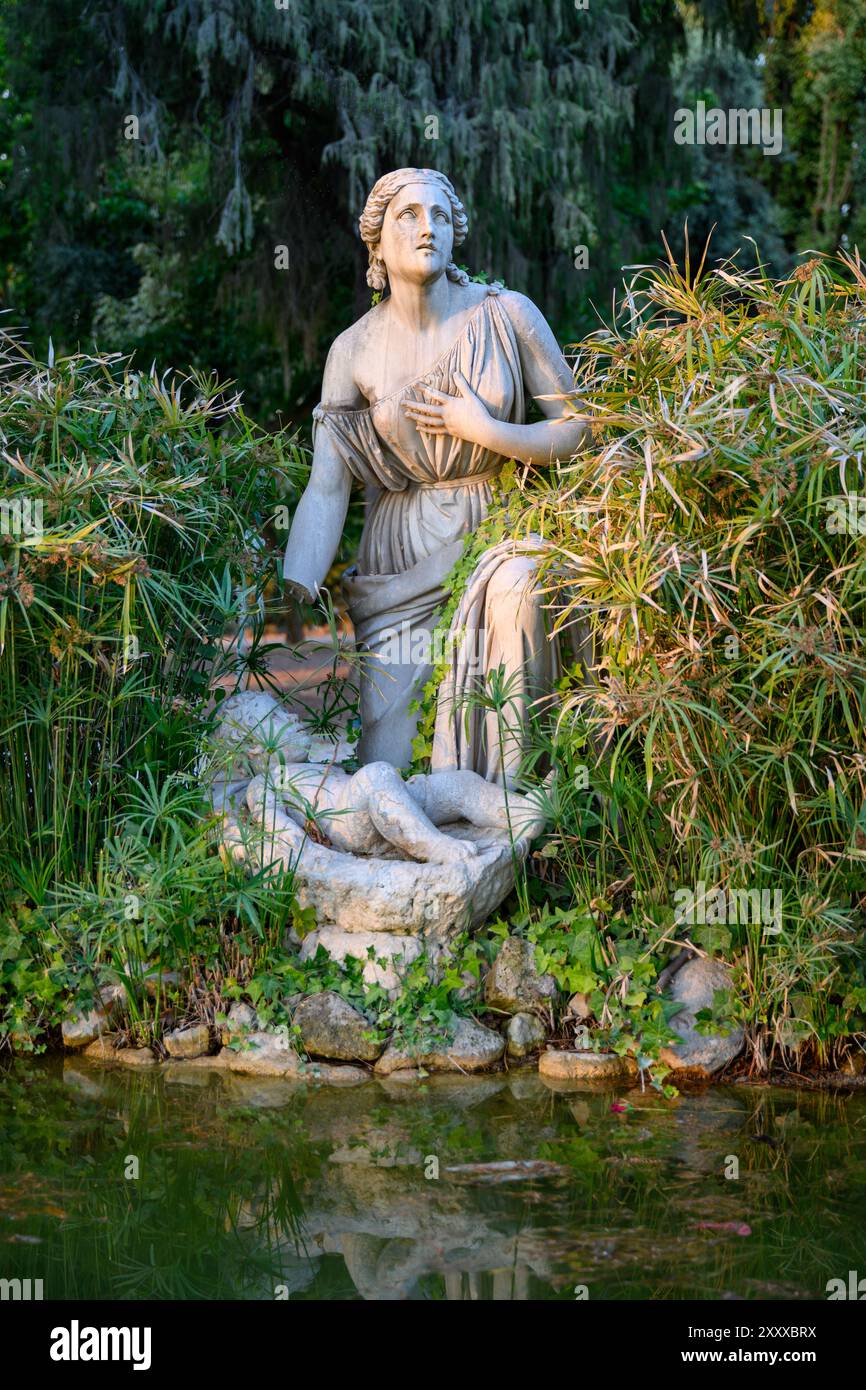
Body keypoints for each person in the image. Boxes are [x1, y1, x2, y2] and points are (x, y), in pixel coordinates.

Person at [283, 167, 591, 784]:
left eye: (441, 217)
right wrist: (300, 578)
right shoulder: (354, 350)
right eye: (409, 215)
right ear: (377, 241)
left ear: (456, 235)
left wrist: (487, 432)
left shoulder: (508, 315)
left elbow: (581, 428)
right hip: (399, 549)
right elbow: (327, 483)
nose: (428, 228)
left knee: (519, 593)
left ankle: (510, 820)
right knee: (388, 766)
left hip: (498, 526)